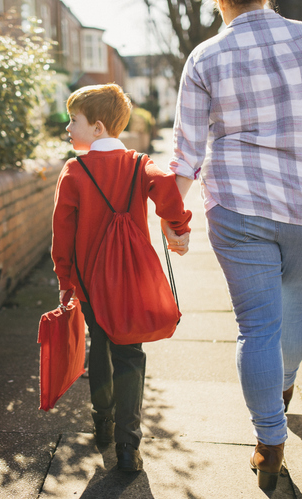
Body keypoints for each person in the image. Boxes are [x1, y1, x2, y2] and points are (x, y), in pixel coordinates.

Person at [162, 0, 302, 490]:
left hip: (240, 206)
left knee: (258, 326)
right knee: (294, 301)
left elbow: (186, 150)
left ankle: (270, 442)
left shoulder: (205, 57)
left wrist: (174, 215)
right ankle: (282, 391)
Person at [51, 84, 192, 472]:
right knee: (131, 352)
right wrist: (178, 226)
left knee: (100, 347)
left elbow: (61, 231)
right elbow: (165, 187)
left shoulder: (75, 171)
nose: (67, 127)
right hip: (132, 280)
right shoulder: (138, 163)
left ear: (97, 127)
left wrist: (65, 279)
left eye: (73, 120)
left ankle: (102, 424)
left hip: (90, 282)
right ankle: (129, 446)